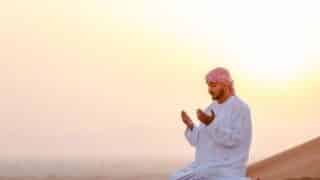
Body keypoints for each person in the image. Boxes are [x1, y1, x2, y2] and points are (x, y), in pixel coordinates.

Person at [169, 67, 252, 180]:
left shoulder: (240, 108)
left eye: (213, 85)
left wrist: (211, 124)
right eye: (208, 85)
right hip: (205, 166)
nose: (209, 89)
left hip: (227, 167)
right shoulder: (210, 108)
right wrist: (191, 126)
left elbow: (233, 140)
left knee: (205, 174)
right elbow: (198, 141)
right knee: (175, 177)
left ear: (225, 85)